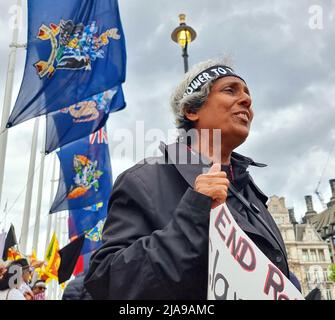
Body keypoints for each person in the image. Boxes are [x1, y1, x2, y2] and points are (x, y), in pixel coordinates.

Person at [84, 59, 294, 299]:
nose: (247, 100)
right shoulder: (142, 181)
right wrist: (194, 214)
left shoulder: (252, 194)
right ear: (191, 110)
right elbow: (108, 280)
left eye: (247, 93)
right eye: (229, 90)